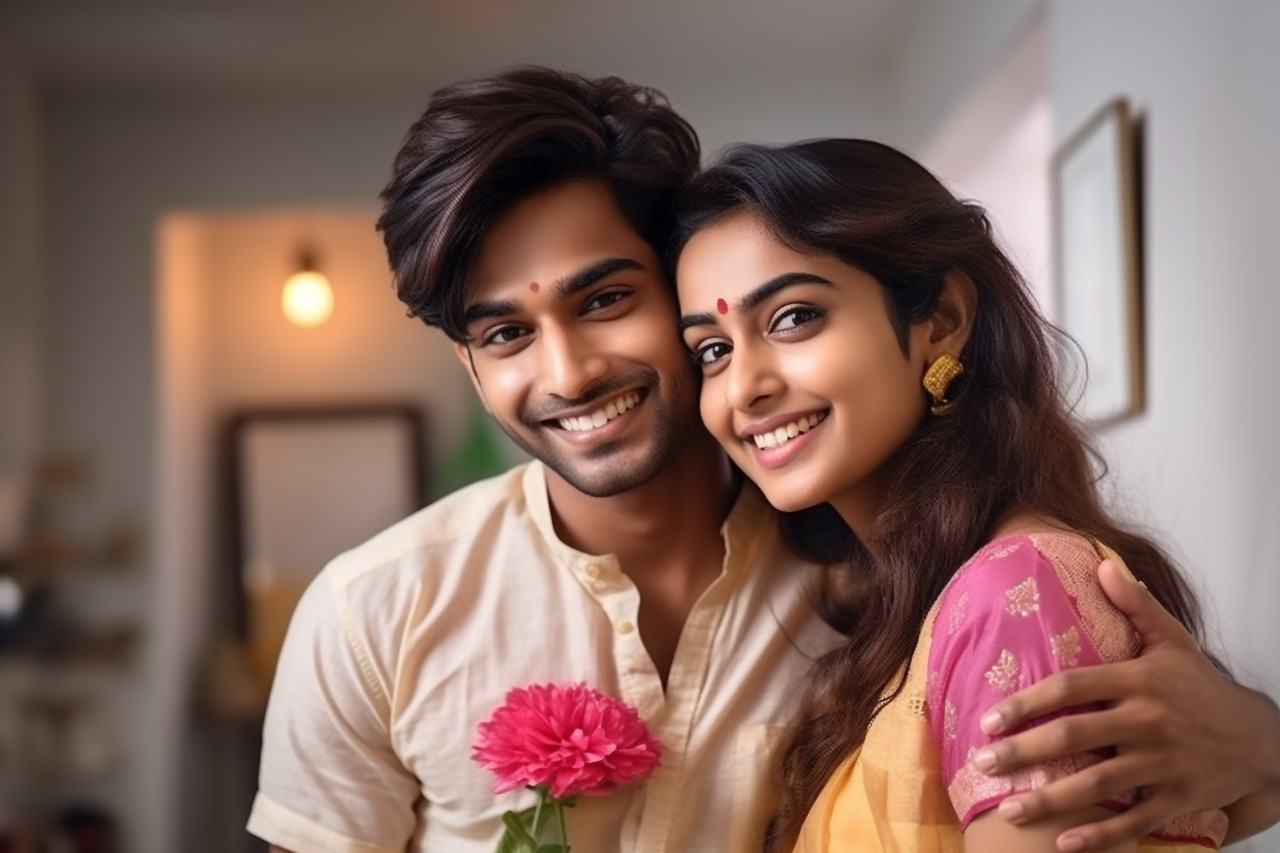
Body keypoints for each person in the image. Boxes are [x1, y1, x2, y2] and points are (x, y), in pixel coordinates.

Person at [247, 68, 1280, 853]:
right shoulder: (372, 612)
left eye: (604, 299)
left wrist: (1259, 735)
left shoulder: (874, 573)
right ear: (469, 367)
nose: (567, 371)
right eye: (504, 335)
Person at [672, 138, 1280, 852]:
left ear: (944, 320)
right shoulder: (901, 604)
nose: (744, 386)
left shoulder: (1013, 588)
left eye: (794, 317)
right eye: (712, 350)